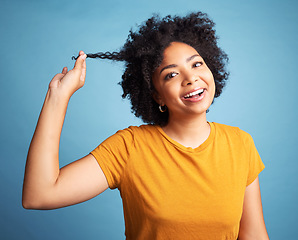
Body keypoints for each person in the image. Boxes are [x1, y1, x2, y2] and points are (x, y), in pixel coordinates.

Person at [22, 12, 269, 240]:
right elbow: (40, 194)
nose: (190, 78)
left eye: (196, 64)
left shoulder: (240, 144)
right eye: (171, 75)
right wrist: (58, 96)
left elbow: (254, 236)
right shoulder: (129, 148)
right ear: (157, 96)